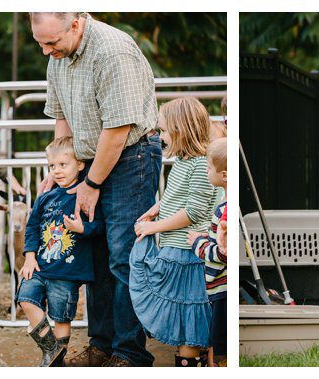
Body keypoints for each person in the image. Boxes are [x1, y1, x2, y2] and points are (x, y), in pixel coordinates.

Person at [30, 12, 161, 367]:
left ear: (75, 24)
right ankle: (101, 345)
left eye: (51, 42)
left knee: (123, 255)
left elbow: (118, 130)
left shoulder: (112, 51)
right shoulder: (58, 55)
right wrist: (60, 168)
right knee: (95, 254)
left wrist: (90, 184)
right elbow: (62, 119)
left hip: (131, 157)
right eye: (40, 43)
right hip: (88, 160)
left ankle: (129, 353)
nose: (46, 52)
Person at [130, 97, 219, 367]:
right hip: (175, 251)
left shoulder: (201, 165)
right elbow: (174, 197)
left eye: (164, 130)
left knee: (188, 322)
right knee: (182, 320)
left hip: (188, 255)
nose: (160, 136)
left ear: (181, 130)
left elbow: (193, 212)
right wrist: (155, 210)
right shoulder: (182, 161)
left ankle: (190, 364)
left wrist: (154, 227)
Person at [18, 136, 103, 366]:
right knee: (26, 298)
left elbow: (100, 227)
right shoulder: (45, 198)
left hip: (67, 272)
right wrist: (29, 256)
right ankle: (52, 351)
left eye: (63, 165)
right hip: (39, 266)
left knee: (61, 318)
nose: (56, 171)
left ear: (80, 164)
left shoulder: (86, 196)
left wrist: (82, 228)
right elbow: (32, 227)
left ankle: (55, 364)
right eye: (52, 166)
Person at [188, 137, 228, 367]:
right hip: (218, 289)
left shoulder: (225, 211)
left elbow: (223, 253)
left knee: (220, 349)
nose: (206, 171)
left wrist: (198, 244)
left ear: (224, 175)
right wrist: (207, 237)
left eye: (209, 167)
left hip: (221, 289)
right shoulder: (224, 204)